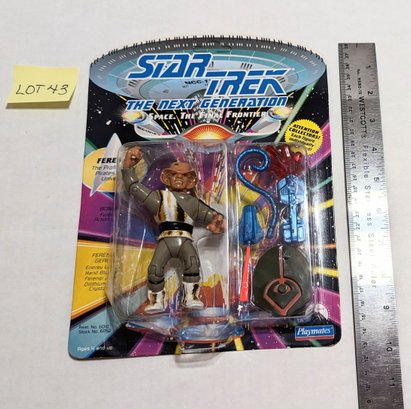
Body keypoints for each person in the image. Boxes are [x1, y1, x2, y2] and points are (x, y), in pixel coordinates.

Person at [122, 146, 225, 314]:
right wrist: (128, 167)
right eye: (174, 175)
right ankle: (156, 300)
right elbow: (133, 187)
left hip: (185, 240)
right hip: (165, 239)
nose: (178, 178)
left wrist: (219, 223)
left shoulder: (193, 203)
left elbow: (213, 216)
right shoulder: (159, 198)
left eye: (183, 176)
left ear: (190, 180)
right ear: (167, 178)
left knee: (192, 265)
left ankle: (191, 297)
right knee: (155, 269)